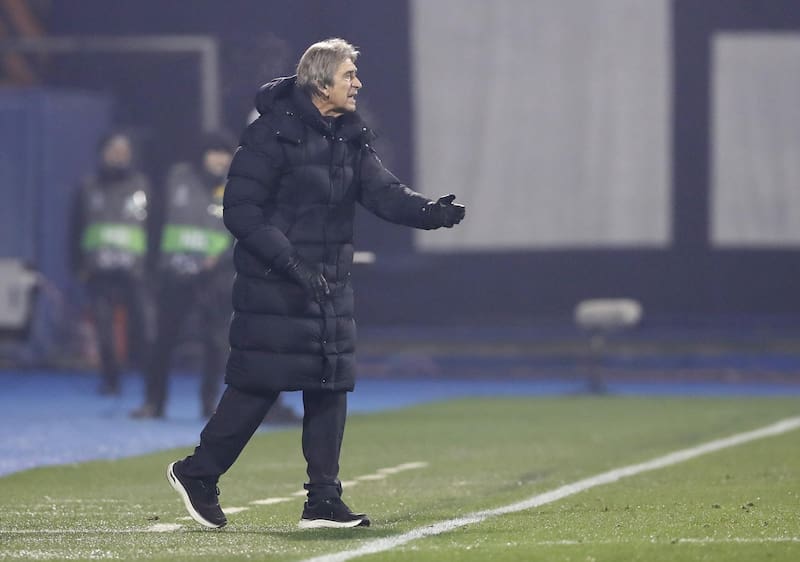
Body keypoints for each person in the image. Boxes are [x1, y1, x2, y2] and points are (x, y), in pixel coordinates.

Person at [166, 38, 465, 529]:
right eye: (350, 75)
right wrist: (293, 265)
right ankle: (197, 473)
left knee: (330, 384)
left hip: (327, 284)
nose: (358, 84)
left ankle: (323, 499)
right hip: (274, 286)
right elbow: (240, 212)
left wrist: (429, 213)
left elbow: (383, 191)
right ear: (321, 82)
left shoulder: (348, 135)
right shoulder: (268, 135)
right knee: (257, 386)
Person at [130, 132, 237, 419]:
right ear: (202, 154)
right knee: (162, 341)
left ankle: (210, 404)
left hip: (214, 278)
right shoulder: (175, 179)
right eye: (214, 151)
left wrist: (221, 260)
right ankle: (154, 402)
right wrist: (152, 265)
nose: (220, 158)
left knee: (215, 345)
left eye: (225, 153)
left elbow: (243, 232)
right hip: (173, 275)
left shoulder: (236, 187)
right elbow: (153, 222)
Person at [70, 131, 153, 395]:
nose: (119, 154)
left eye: (124, 149)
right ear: (102, 152)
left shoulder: (143, 186)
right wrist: (77, 265)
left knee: (145, 329)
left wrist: (150, 266)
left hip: (135, 272)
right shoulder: (87, 187)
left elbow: (155, 227)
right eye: (114, 149)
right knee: (105, 332)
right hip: (99, 272)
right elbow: (74, 229)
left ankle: (150, 381)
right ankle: (111, 381)